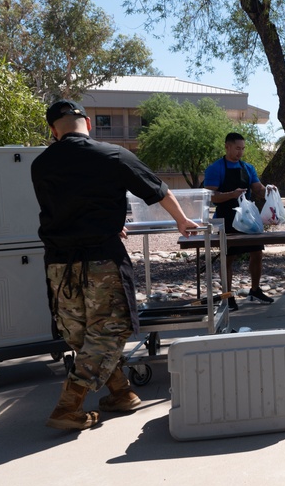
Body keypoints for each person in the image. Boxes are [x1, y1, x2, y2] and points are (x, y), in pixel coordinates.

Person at [32, 100, 198, 430]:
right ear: (88, 123)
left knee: (79, 332)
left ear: (53, 130)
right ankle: (69, 405)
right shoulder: (112, 155)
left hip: (58, 263)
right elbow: (159, 190)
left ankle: (121, 392)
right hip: (100, 259)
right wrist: (181, 220)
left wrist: (107, 220)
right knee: (109, 331)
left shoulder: (41, 165)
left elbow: (69, 206)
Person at [204, 132, 275, 310]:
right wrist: (230, 195)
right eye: (237, 148)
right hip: (226, 217)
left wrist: (269, 191)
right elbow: (210, 196)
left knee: (257, 253)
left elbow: (257, 188)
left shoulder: (248, 167)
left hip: (248, 218)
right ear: (227, 146)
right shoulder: (215, 168)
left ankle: (255, 289)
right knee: (228, 257)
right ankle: (228, 297)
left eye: (243, 149)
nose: (240, 152)